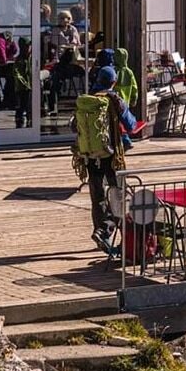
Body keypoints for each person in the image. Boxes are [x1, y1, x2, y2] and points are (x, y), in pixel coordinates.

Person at [73, 65, 129, 253]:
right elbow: (130, 123)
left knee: (97, 198)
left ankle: (100, 233)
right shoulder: (113, 100)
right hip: (111, 156)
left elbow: (74, 126)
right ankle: (107, 231)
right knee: (119, 195)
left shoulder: (87, 101)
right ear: (114, 81)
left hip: (89, 156)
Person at [11, 36, 34, 128]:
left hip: (30, 86)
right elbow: (17, 74)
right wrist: (25, 83)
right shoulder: (19, 60)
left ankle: (29, 118)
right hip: (22, 87)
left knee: (29, 105)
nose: (29, 48)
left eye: (30, 46)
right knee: (21, 105)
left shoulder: (31, 58)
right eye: (27, 46)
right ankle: (19, 119)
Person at [0, 31, 19, 108]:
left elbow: (14, 51)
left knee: (11, 78)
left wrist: (12, 44)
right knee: (12, 78)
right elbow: (2, 58)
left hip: (0, 66)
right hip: (0, 67)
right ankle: (11, 99)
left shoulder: (0, 40)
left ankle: (9, 99)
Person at [113, 47, 138, 111]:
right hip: (125, 103)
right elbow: (134, 88)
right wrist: (134, 100)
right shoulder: (129, 72)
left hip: (114, 103)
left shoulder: (113, 71)